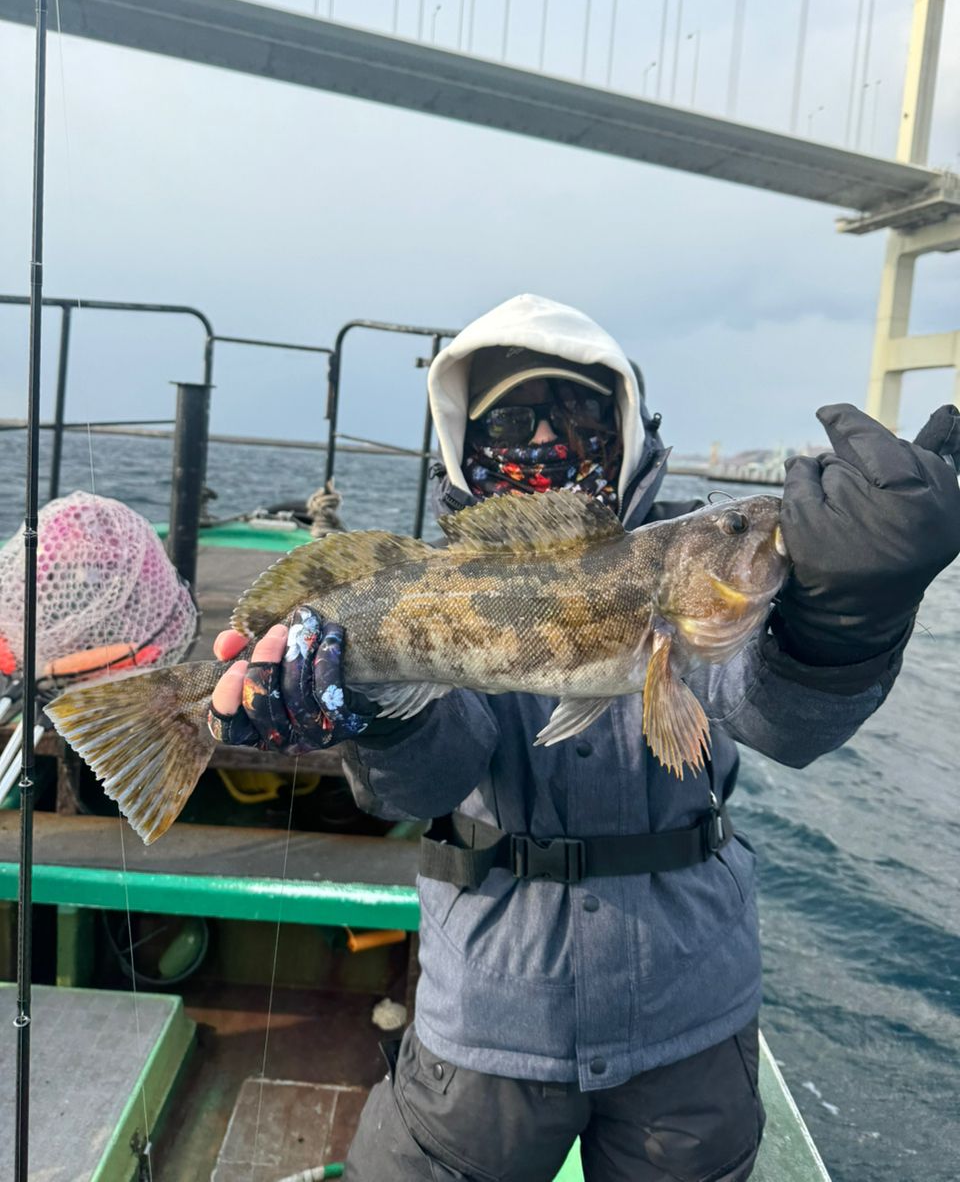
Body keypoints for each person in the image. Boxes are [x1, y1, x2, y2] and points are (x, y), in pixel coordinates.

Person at [207, 294, 960, 1181]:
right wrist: (374, 711)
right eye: (514, 419)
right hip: (489, 1019)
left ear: (625, 418)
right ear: (464, 436)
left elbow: (778, 719)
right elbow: (423, 785)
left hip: (691, 1017)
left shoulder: (678, 575)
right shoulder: (443, 577)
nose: (547, 439)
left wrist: (847, 621)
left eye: (578, 410)